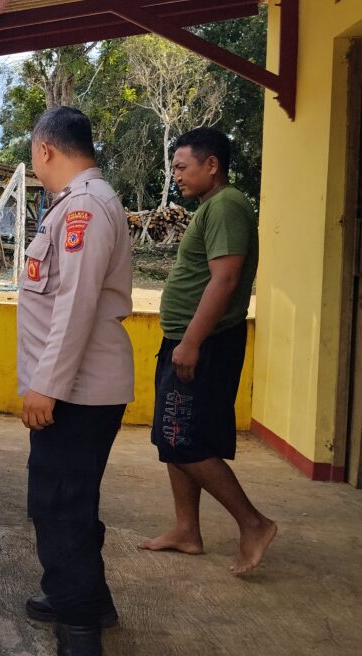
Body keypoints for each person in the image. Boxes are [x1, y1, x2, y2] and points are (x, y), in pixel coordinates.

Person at [17, 106, 133, 656]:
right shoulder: (77, 203)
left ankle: (80, 628)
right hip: (79, 389)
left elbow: (76, 305)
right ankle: (86, 597)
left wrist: (47, 386)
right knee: (75, 500)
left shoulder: (84, 206)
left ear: (45, 149)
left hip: (75, 393)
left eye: (34, 154)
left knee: (58, 505)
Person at [139, 127, 277, 575]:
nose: (176, 175)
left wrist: (192, 342)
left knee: (181, 440)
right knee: (173, 436)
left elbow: (226, 279)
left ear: (211, 164)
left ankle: (253, 523)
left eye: (182, 166)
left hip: (203, 344)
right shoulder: (213, 207)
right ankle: (187, 530)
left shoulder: (226, 206)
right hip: (186, 341)